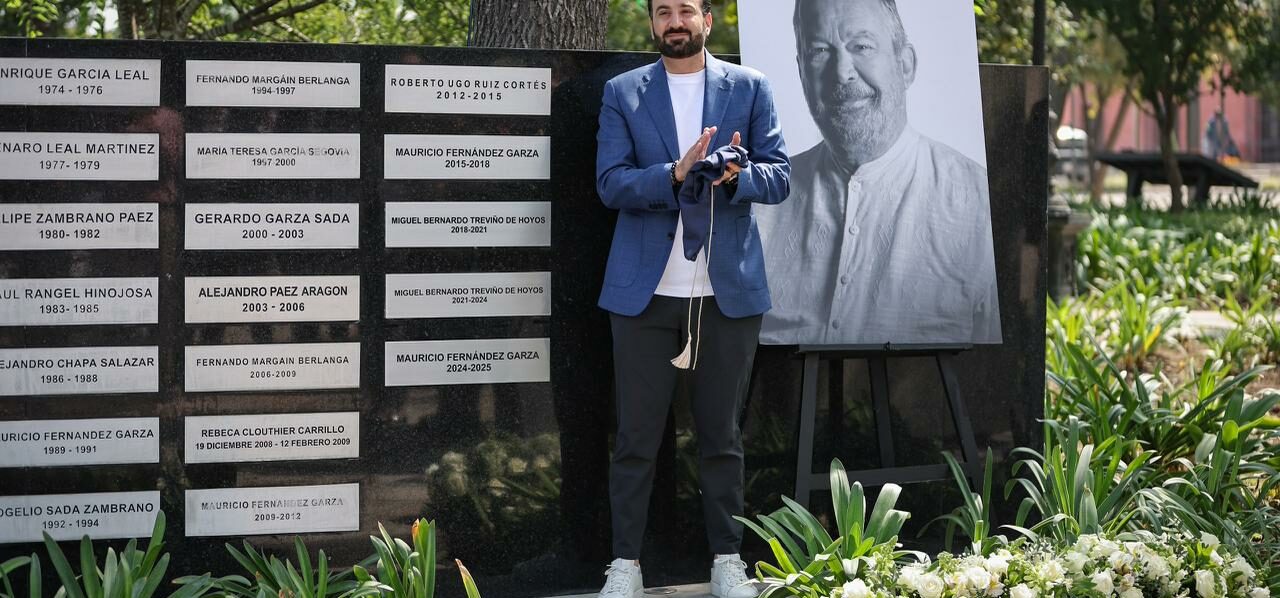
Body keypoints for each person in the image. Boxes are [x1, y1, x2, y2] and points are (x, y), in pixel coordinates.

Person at [594, 0, 791, 596]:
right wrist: (674, 176)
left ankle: (727, 561)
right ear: (652, 24)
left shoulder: (750, 87)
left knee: (722, 438)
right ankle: (625, 565)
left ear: (708, 19)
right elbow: (609, 183)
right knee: (634, 439)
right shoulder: (623, 92)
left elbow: (779, 175)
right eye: (662, 12)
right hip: (645, 295)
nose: (673, 22)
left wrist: (735, 174)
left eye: (685, 10)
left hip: (725, 293)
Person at [756, 0, 1001, 346]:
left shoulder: (976, 201)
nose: (842, 72)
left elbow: (988, 367)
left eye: (862, 46)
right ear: (801, 73)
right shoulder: (763, 201)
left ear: (905, 65)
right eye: (819, 51)